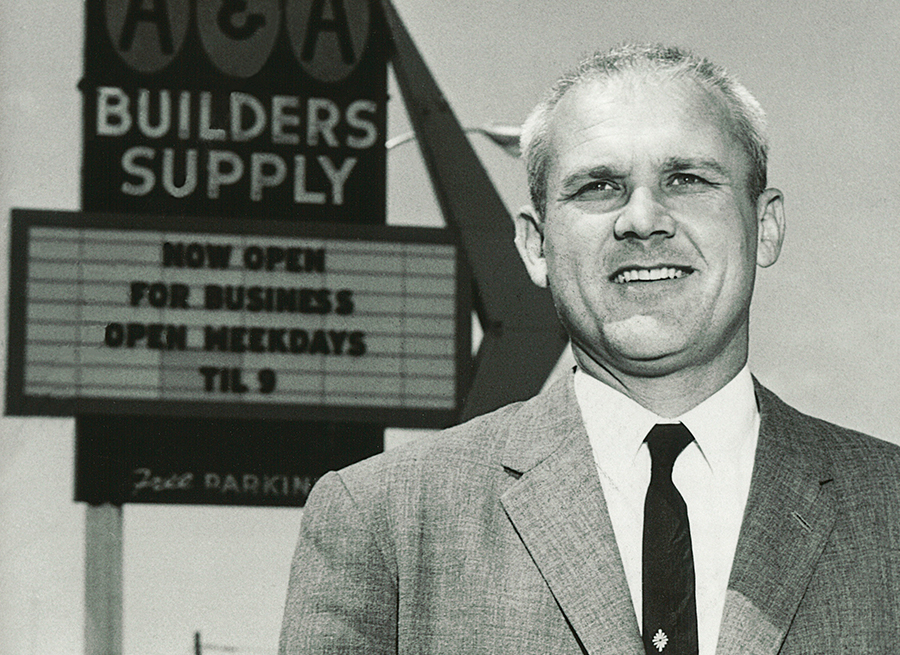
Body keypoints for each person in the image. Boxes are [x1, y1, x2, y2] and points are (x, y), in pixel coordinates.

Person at [279, 44, 900, 655]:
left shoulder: (890, 510)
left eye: (686, 179)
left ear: (765, 226)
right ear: (535, 245)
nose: (643, 219)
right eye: (599, 187)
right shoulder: (380, 521)